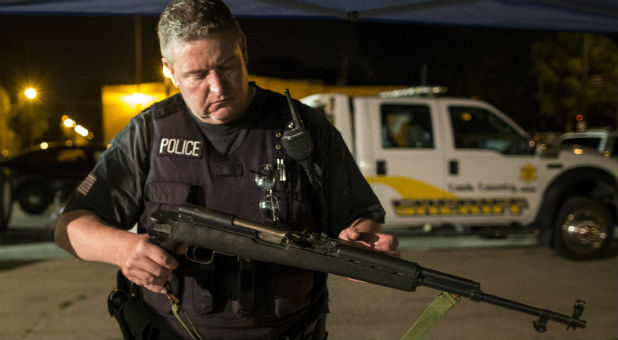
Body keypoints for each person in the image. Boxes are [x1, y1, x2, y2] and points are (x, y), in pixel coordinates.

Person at [54, 0, 399, 339]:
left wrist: (363, 247)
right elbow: (70, 227)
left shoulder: (304, 129)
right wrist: (122, 249)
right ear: (169, 71)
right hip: (171, 330)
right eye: (197, 75)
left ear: (243, 49)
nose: (218, 87)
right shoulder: (149, 133)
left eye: (228, 66)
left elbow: (358, 218)